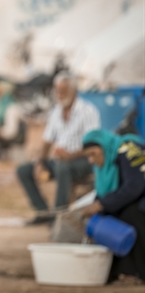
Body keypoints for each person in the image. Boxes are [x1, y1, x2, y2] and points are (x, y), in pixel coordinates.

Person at [16, 71, 100, 225]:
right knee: (24, 170)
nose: (59, 94)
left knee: (63, 167)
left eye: (63, 90)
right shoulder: (56, 111)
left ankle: (58, 217)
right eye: (57, 90)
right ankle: (43, 212)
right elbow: (47, 141)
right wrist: (40, 162)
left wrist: (71, 155)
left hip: (83, 161)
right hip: (61, 160)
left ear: (73, 91)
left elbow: (93, 145)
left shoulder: (88, 111)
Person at [81, 129, 145, 283]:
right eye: (87, 156)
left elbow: (135, 186)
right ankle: (116, 270)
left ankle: (137, 271)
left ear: (104, 146)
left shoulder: (129, 148)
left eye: (93, 154)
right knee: (107, 217)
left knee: (130, 213)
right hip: (135, 199)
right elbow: (105, 193)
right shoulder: (107, 161)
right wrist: (99, 205)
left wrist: (102, 204)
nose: (91, 160)